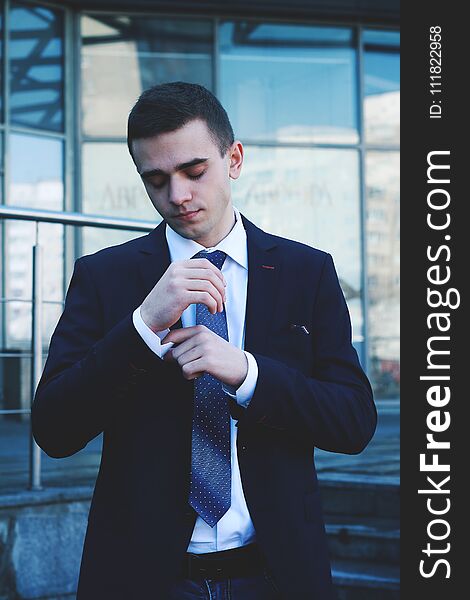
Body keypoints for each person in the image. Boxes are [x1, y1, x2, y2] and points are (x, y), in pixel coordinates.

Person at [32, 82, 377, 600]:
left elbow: (353, 422)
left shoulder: (306, 272)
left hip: (278, 574)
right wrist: (142, 326)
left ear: (233, 158)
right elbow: (54, 430)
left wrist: (248, 373)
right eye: (157, 180)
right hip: (144, 578)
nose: (178, 196)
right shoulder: (105, 277)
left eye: (195, 172)